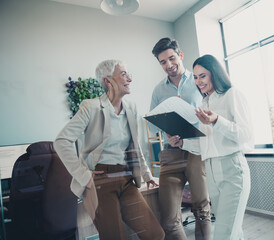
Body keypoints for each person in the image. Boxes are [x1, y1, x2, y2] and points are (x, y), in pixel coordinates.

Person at [54, 59, 165, 240]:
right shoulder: (90, 107)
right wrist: (83, 174)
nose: (129, 78)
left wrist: (146, 175)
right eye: (123, 74)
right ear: (108, 81)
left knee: (155, 234)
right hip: (100, 181)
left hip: (126, 177)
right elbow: (61, 141)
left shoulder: (131, 107)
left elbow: (134, 146)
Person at [168, 54, 254, 240]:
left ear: (214, 74)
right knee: (233, 232)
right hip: (212, 172)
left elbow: (246, 135)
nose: (198, 81)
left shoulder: (233, 94)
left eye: (203, 76)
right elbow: (205, 145)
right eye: (196, 77)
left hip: (233, 170)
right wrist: (182, 142)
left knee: (223, 233)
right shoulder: (204, 103)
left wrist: (216, 120)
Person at [150, 38, 211, 240]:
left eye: (171, 58)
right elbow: (152, 123)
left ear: (180, 55)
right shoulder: (158, 90)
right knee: (168, 218)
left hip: (196, 150)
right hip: (171, 151)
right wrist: (166, 130)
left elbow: (211, 113)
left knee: (202, 209)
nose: (168, 65)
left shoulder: (198, 82)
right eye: (162, 62)